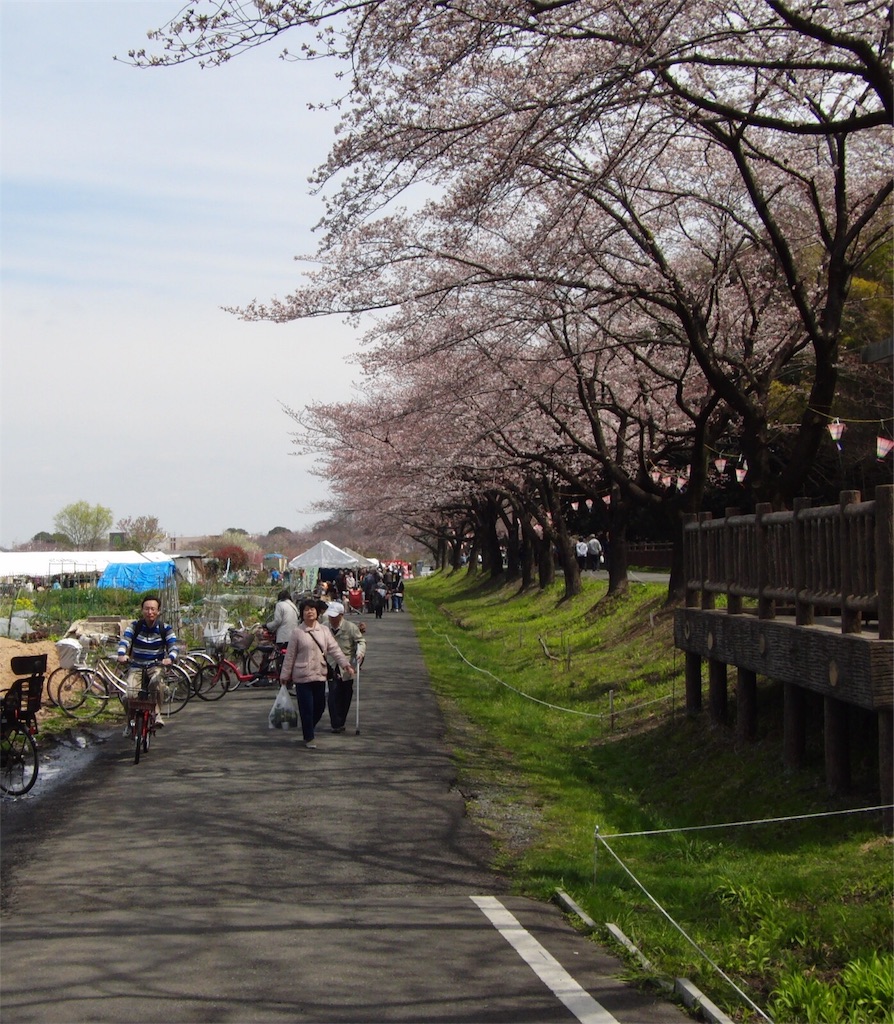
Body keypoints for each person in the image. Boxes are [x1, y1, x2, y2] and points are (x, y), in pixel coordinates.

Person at [280, 599, 354, 748]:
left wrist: (345, 664)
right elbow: (290, 656)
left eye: (312, 609)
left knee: (319, 707)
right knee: (306, 707)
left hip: (320, 674)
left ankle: (308, 727)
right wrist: (284, 675)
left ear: (318, 612)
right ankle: (309, 736)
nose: (310, 612)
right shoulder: (297, 633)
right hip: (302, 676)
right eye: (306, 609)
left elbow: (334, 649)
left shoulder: (324, 631)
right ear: (302, 613)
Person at [116, 594, 178, 728]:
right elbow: (125, 640)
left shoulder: (165, 628)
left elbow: (173, 646)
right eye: (147, 609)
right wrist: (121, 654)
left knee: (157, 685)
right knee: (128, 695)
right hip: (136, 665)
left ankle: (156, 713)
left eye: (153, 609)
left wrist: (170, 658)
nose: (150, 612)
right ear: (142, 610)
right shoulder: (135, 626)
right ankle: (130, 722)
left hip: (155, 665)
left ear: (158, 611)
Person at [322, 602, 366, 732]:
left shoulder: (350, 627)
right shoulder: (324, 627)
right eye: (330, 616)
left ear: (341, 615)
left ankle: (341, 720)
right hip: (330, 664)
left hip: (347, 665)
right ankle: (336, 723)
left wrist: (360, 652)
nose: (332, 619)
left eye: (335, 616)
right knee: (332, 693)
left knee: (346, 693)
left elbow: (361, 641)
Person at [264, 588, 300, 680]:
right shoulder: (293, 606)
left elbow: (277, 621)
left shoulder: (280, 605)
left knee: (282, 660)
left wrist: (267, 626)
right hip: (293, 635)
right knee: (290, 658)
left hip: (284, 636)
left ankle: (283, 678)